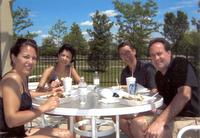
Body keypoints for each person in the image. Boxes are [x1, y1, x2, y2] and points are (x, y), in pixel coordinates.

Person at [0, 38, 73, 137]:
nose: (31, 62)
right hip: (7, 134)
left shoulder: (22, 76)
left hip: (19, 131)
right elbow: (11, 120)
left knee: (67, 133)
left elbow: (26, 94)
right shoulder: (12, 79)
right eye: (26, 57)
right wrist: (43, 108)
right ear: (14, 57)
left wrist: (49, 93)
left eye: (34, 58)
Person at [130, 37, 200, 138]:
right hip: (175, 116)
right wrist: (144, 111)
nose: (156, 58)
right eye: (153, 55)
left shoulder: (180, 64)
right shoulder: (158, 76)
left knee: (158, 132)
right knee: (137, 123)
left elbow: (184, 95)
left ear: (169, 53)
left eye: (159, 53)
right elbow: (165, 104)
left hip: (191, 119)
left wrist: (159, 122)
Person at [116, 41, 157, 137]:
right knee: (115, 116)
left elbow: (155, 90)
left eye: (127, 52)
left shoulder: (147, 68)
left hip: (147, 107)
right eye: (122, 54)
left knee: (136, 122)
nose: (125, 56)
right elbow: (124, 91)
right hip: (132, 106)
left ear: (134, 51)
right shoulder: (125, 72)